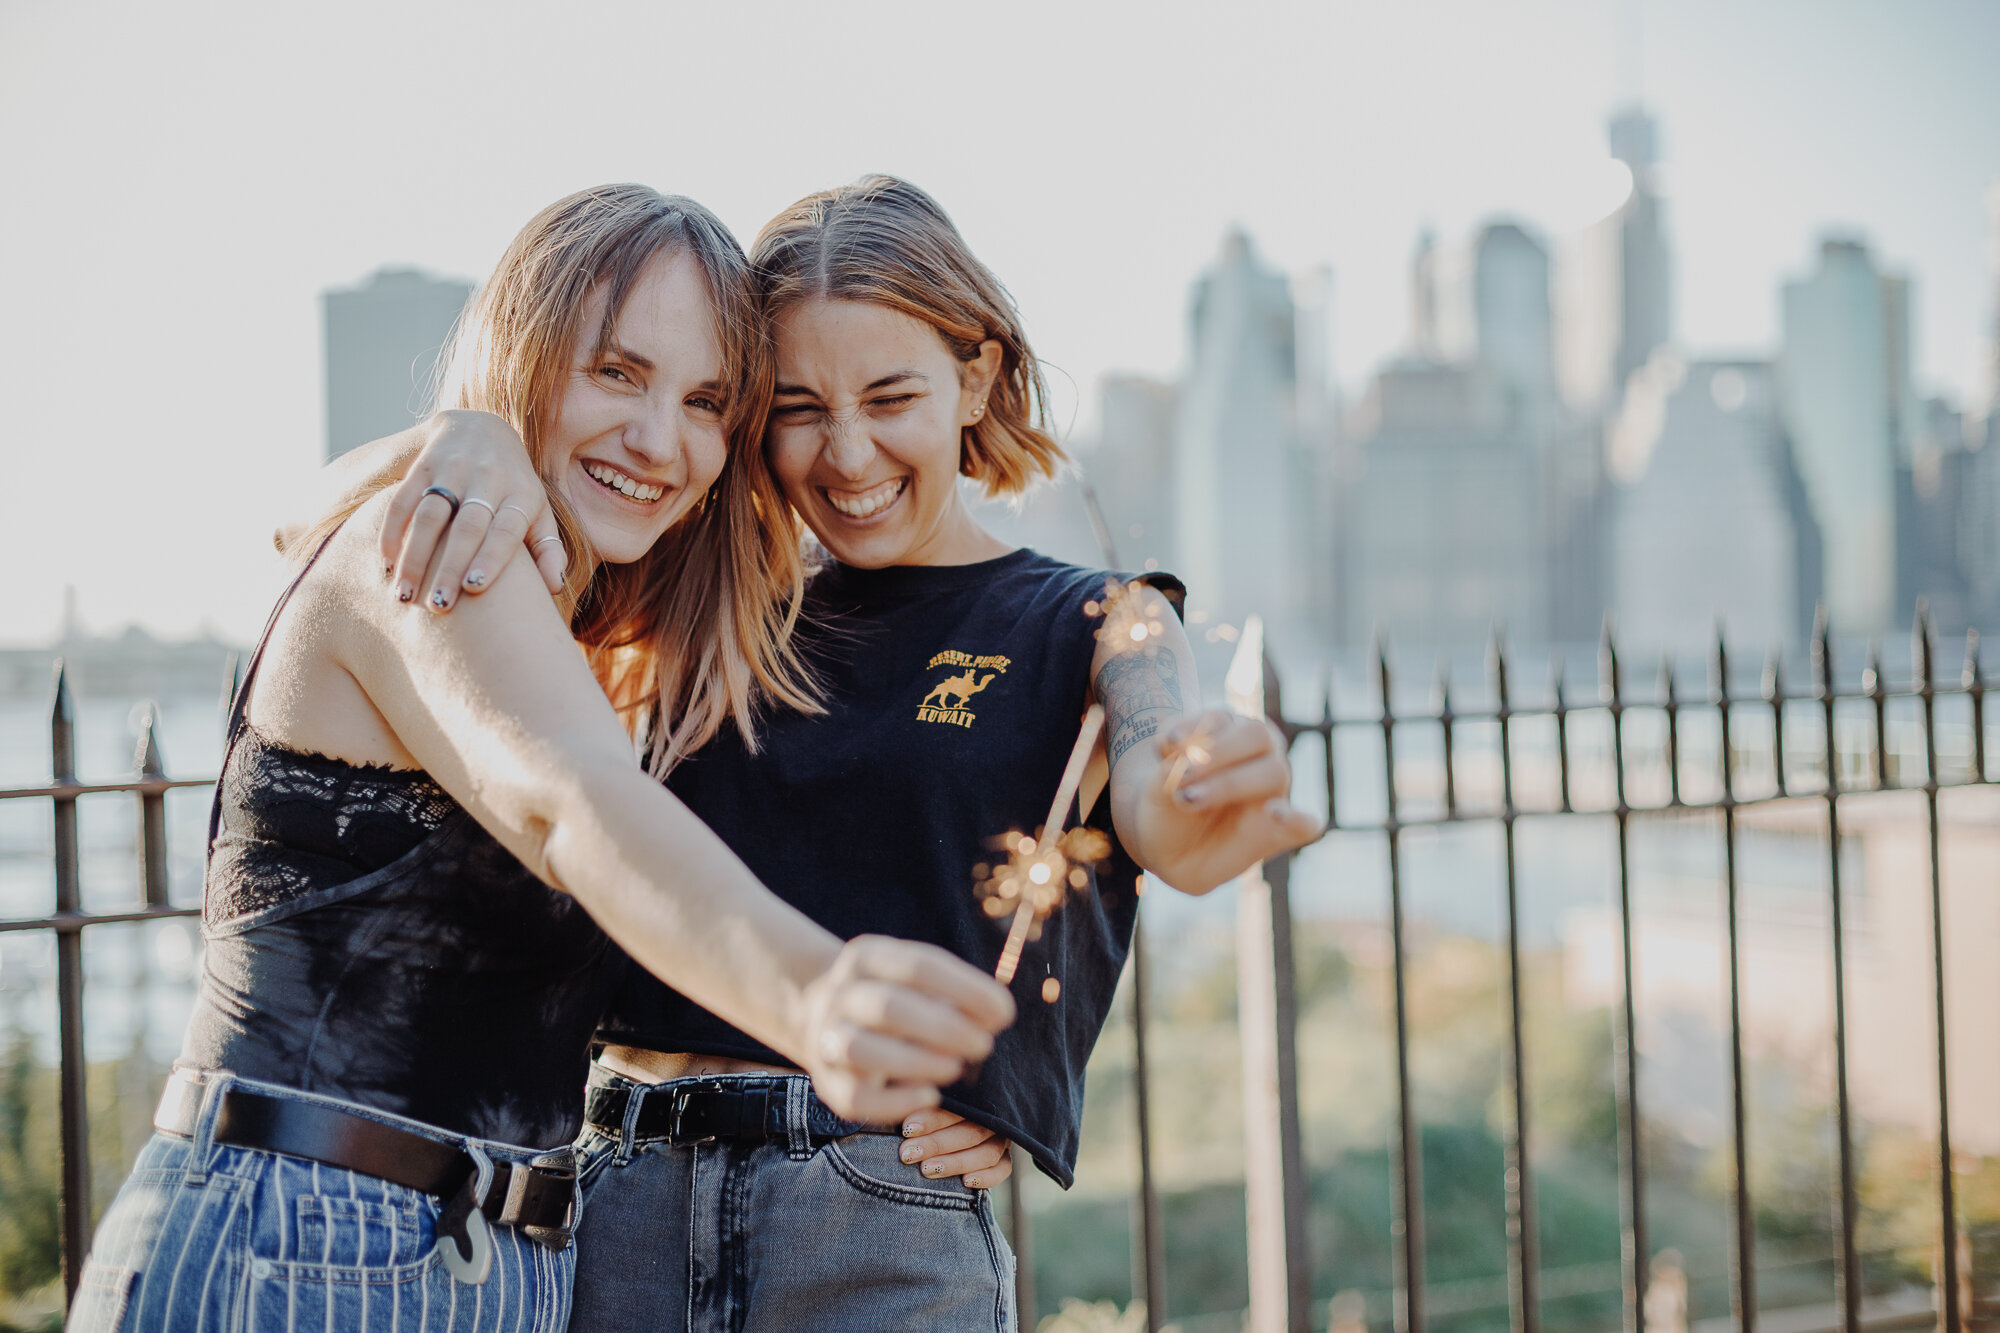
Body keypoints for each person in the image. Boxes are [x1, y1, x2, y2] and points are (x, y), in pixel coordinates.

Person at [66, 184, 1013, 1333]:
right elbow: (569, 804)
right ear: (525, 354)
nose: (659, 439)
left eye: (707, 401)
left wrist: (1001, 1088)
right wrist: (821, 997)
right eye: (615, 372)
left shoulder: (584, 625)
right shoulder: (428, 551)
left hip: (488, 1263)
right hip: (305, 1235)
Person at [388, 175, 1321, 1332]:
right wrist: (463, 433)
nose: (846, 452)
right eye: (794, 406)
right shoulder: (701, 596)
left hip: (876, 1218)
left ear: (973, 377)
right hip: (611, 1211)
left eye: (889, 396)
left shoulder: (1105, 622)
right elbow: (356, 555)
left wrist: (1192, 797)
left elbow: (1153, 801)